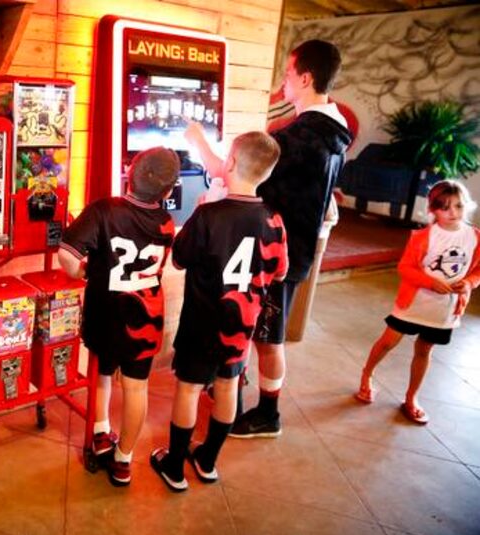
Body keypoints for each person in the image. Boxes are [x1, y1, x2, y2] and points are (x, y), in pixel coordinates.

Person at [185, 39, 353, 438]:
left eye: (289, 74)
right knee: (259, 332)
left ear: (306, 78)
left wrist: (198, 142)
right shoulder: (336, 130)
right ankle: (235, 392)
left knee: (267, 339)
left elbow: (235, 173)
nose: (283, 82)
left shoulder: (301, 137)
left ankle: (268, 414)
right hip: (290, 249)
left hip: (274, 253)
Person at [150, 132, 288, 491]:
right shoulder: (273, 220)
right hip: (241, 325)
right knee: (228, 386)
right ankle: (208, 460)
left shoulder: (209, 214)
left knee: (189, 389)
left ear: (229, 163)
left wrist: (198, 208)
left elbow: (179, 259)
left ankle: (175, 467)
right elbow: (280, 270)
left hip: (202, 322)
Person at [58, 146, 179, 486]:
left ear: (129, 172)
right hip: (146, 317)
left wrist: (83, 272)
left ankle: (99, 432)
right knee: (137, 388)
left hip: (106, 313)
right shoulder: (166, 222)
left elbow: (66, 256)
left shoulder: (103, 210)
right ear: (169, 191)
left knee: (101, 373)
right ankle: (124, 459)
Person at [356, 180, 480, 424]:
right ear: (433, 209)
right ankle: (366, 376)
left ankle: (411, 398)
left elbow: (477, 272)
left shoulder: (475, 237)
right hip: (413, 304)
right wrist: (429, 282)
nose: (453, 213)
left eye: (458, 206)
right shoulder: (424, 236)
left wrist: (468, 284)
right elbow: (405, 267)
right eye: (445, 208)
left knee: (424, 350)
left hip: (444, 311)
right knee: (387, 342)